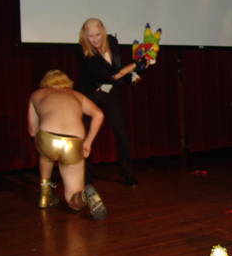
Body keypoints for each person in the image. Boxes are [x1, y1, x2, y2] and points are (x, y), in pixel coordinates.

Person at [27, 69, 107, 221]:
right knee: (74, 203)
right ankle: (84, 195)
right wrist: (88, 142)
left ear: (45, 83)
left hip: (47, 140)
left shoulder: (37, 94)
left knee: (45, 152)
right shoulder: (77, 95)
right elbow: (99, 114)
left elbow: (32, 131)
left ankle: (45, 194)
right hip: (73, 143)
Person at [77, 18, 147, 187]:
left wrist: (135, 73)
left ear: (103, 31)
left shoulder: (112, 41)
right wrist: (133, 66)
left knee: (121, 133)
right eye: (90, 36)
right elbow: (108, 76)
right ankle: (86, 180)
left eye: (98, 35)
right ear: (85, 36)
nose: (95, 39)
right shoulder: (82, 50)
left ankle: (128, 174)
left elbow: (115, 69)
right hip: (89, 94)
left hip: (109, 92)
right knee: (85, 136)